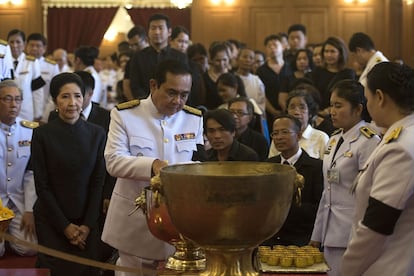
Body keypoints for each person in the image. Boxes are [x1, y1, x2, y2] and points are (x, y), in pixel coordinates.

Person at [102, 59, 204, 276]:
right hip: (136, 219)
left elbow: (199, 163)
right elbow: (113, 160)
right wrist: (153, 165)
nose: (178, 101)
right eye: (171, 92)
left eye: (184, 94)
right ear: (153, 85)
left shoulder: (193, 118)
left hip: (180, 221)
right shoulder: (125, 115)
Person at [341, 62, 414, 276]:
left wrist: (347, 270)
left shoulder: (400, 146)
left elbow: (377, 225)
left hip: (390, 265)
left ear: (380, 97)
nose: (367, 104)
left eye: (367, 97)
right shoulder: (401, 135)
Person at [31, 72, 106, 276]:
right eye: (65, 96)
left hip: (87, 221)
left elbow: (97, 183)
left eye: (77, 96)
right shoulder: (42, 135)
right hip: (53, 220)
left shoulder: (97, 134)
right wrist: (65, 226)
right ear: (55, 100)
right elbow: (42, 185)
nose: (72, 102)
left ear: (84, 98)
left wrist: (87, 225)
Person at [309, 79, 380, 276]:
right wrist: (317, 233)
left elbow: (367, 192)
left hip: (353, 232)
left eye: (338, 106)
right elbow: (328, 191)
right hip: (331, 232)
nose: (332, 111)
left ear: (358, 109)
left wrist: (359, 236)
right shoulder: (333, 140)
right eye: (331, 105)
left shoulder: (368, 141)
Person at [264, 114, 323, 246]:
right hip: (270, 238)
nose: (278, 137)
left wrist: (285, 208)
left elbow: (319, 207)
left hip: (302, 238)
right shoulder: (268, 166)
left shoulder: (316, 167)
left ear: (298, 135)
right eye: (275, 133)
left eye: (285, 132)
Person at [0, 80, 37, 257]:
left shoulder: (29, 130)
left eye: (17, 99)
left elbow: (31, 175)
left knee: (29, 248)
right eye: (7, 99)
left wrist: (29, 209)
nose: (13, 104)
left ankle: (9, 235)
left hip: (17, 201)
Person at [128, 14, 188, 99]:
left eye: (160, 28)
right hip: (146, 104)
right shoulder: (138, 57)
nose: (156, 32)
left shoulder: (180, 57)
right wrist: (149, 101)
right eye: (153, 28)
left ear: (169, 32)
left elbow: (183, 84)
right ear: (148, 31)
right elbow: (135, 85)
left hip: (173, 104)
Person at [268, 88, 329, 159]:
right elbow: (271, 165)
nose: (296, 112)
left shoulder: (321, 137)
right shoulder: (279, 136)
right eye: (292, 107)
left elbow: (326, 167)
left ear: (310, 113)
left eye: (302, 107)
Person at [7, 29, 45, 121]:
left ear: (24, 44)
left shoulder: (32, 62)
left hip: (25, 109)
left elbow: (37, 91)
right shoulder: (2, 61)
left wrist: (38, 113)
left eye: (18, 42)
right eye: (11, 42)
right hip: (5, 108)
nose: (14, 45)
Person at [256, 34, 293, 130]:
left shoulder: (291, 67)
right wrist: (273, 111)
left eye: (275, 45)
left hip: (290, 111)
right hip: (269, 113)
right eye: (269, 46)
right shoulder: (261, 70)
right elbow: (261, 93)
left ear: (283, 47)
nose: (272, 48)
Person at [26, 33, 59, 123]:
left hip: (44, 112)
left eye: (38, 46)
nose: (34, 48)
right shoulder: (21, 64)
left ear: (44, 48)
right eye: (31, 45)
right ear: (26, 46)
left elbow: (53, 94)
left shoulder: (52, 66)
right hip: (23, 112)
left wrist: (44, 116)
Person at [122, 25, 148, 101]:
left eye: (136, 44)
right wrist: (134, 103)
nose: (133, 48)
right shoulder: (131, 61)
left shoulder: (156, 56)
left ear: (146, 40)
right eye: (131, 45)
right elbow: (126, 85)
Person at [203, 41, 230, 109]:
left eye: (224, 60)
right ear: (211, 60)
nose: (221, 63)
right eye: (218, 60)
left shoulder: (234, 77)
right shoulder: (204, 78)